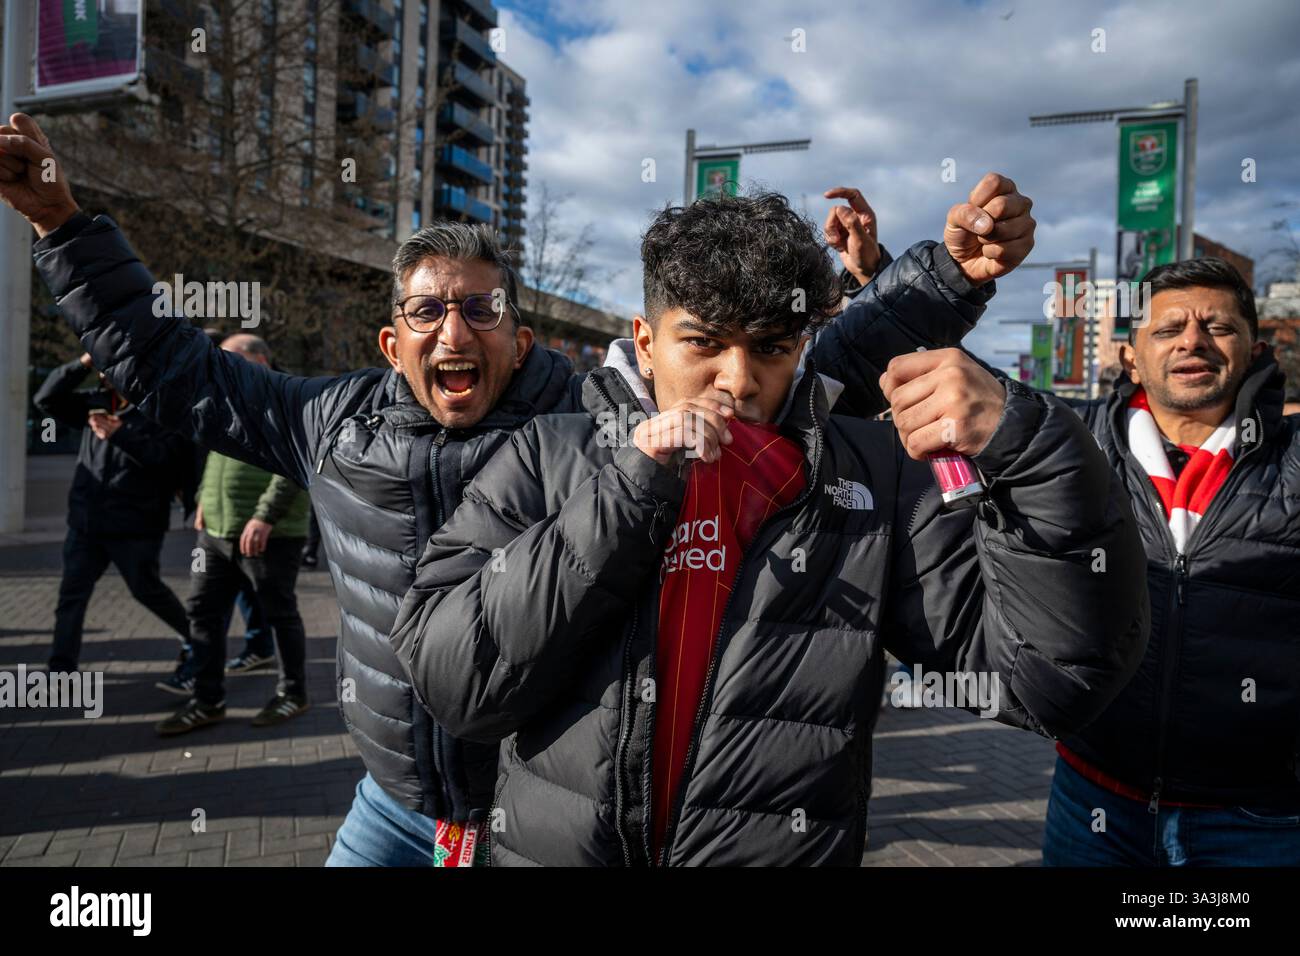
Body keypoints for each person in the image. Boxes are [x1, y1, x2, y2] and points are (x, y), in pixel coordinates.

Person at [2, 110, 1033, 864]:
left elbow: (816, 358)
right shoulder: (329, 420)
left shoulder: (585, 417)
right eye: (427, 311)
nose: (455, 330)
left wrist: (945, 278)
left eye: (481, 308)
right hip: (393, 808)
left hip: (537, 813)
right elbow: (163, 362)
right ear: (390, 339)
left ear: (522, 333)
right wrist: (59, 218)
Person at [388, 191, 1150, 866]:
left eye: (772, 348)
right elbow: (457, 684)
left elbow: (1048, 680)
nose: (739, 380)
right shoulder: (553, 453)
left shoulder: (868, 476)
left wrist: (1035, 449)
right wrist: (625, 494)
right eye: (703, 343)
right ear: (646, 342)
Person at [1042, 257, 1300, 866]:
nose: (1193, 340)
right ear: (1131, 356)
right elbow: (942, 392)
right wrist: (878, 283)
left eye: (1218, 326)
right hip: (1092, 808)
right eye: (1168, 329)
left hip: (1260, 822)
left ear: (1255, 350)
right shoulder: (1069, 451)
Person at [156, 334, 313, 736]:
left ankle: (293, 693)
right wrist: (205, 500)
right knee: (203, 613)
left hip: (269, 533)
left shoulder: (288, 398)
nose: (220, 370)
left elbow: (297, 464)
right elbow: (215, 455)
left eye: (229, 361)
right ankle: (207, 701)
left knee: (279, 614)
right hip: (217, 530)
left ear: (258, 361)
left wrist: (264, 517)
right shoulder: (228, 399)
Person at [33, 352, 194, 674]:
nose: (107, 379)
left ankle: (199, 638)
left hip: (135, 525)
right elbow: (46, 399)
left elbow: (166, 462)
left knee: (147, 591)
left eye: (113, 373)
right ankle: (61, 669)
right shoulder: (97, 401)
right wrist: (83, 363)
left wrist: (120, 434)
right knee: (71, 597)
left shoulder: (160, 410)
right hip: (86, 523)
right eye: (104, 373)